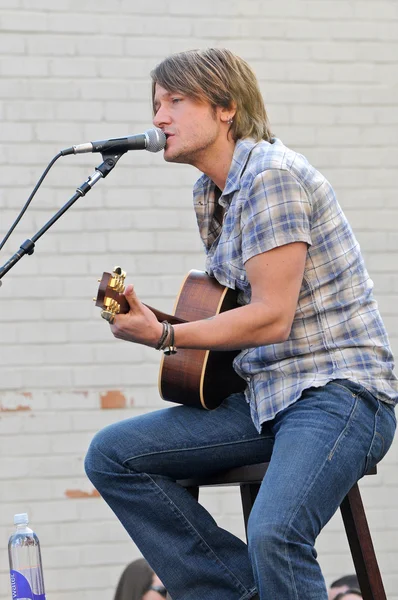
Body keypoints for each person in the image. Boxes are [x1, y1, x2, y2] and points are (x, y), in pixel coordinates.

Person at [84, 48, 398, 599]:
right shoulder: (210, 193)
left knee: (275, 533)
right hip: (263, 399)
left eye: (175, 101)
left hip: (338, 394)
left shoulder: (271, 178)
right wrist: (156, 321)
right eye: (156, 104)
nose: (158, 118)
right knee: (112, 456)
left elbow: (271, 319)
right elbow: (232, 310)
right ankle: (238, 592)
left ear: (226, 107)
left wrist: (164, 334)